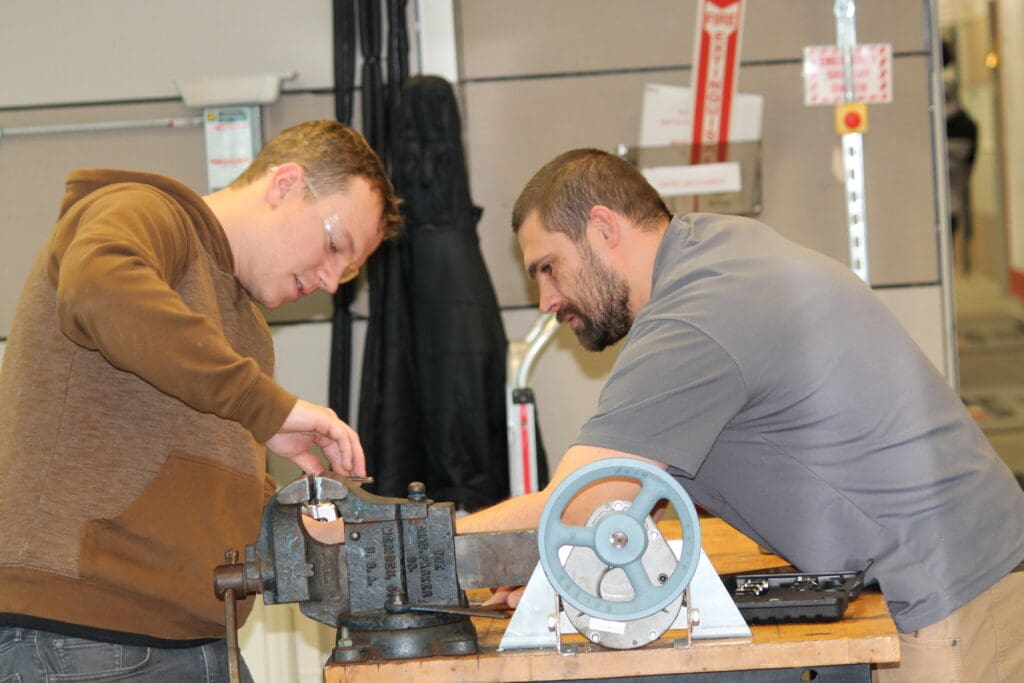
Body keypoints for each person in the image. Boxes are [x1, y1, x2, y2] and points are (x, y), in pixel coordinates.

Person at [459, 148, 1024, 682]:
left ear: (604, 229)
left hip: (950, 595)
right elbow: (622, 505)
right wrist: (561, 565)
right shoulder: (716, 249)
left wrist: (434, 549)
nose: (547, 301)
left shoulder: (692, 318)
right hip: (967, 566)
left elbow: (575, 504)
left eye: (549, 267)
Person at [0, 120, 401, 682]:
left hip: (191, 639)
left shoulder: (247, 329)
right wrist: (267, 406)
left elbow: (190, 496)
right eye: (335, 245)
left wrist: (305, 532)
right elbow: (99, 288)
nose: (334, 280)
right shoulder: (143, 211)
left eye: (351, 267)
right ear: (285, 184)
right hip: (84, 637)